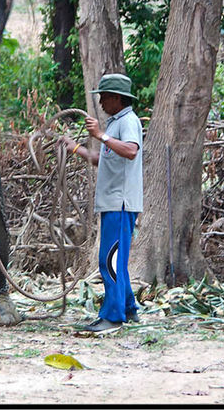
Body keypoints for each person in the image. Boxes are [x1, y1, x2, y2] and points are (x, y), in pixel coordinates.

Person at [60, 73, 144, 333]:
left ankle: (112, 317)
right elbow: (103, 159)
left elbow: (131, 151)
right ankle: (128, 309)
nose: (102, 103)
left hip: (120, 204)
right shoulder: (117, 122)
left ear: (117, 98)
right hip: (114, 204)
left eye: (105, 98)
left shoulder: (128, 121)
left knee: (109, 261)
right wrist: (74, 148)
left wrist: (100, 135)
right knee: (116, 259)